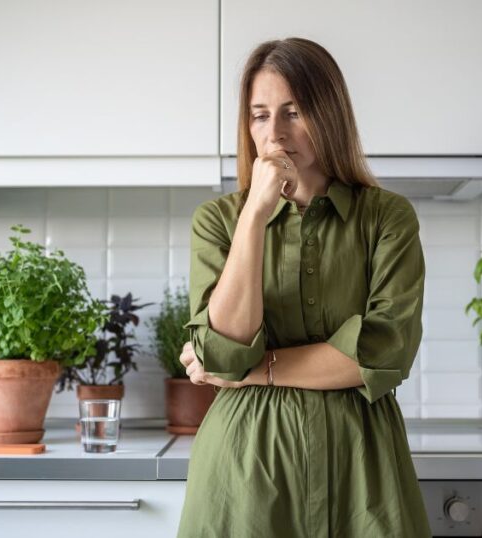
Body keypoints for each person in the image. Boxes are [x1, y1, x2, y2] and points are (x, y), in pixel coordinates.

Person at [176, 37, 431, 538]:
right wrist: (254, 214)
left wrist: (254, 372)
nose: (275, 134)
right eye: (260, 115)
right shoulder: (218, 222)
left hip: (363, 469)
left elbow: (384, 352)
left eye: (294, 112)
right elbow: (225, 352)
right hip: (246, 471)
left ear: (329, 115)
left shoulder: (386, 218)